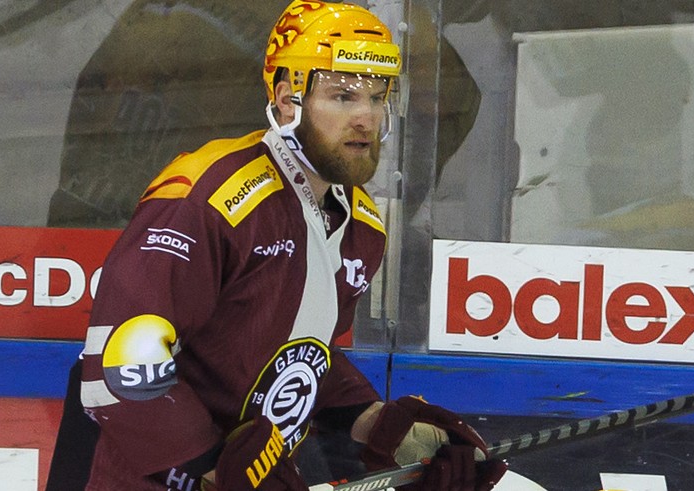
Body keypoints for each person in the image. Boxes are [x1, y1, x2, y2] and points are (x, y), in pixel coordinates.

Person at [48, 1, 507, 489]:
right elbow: (122, 365)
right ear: (288, 101)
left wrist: (384, 428)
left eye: (377, 97)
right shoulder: (208, 199)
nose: (365, 118)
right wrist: (216, 466)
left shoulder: (361, 228)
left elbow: (291, 360)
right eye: (342, 96)